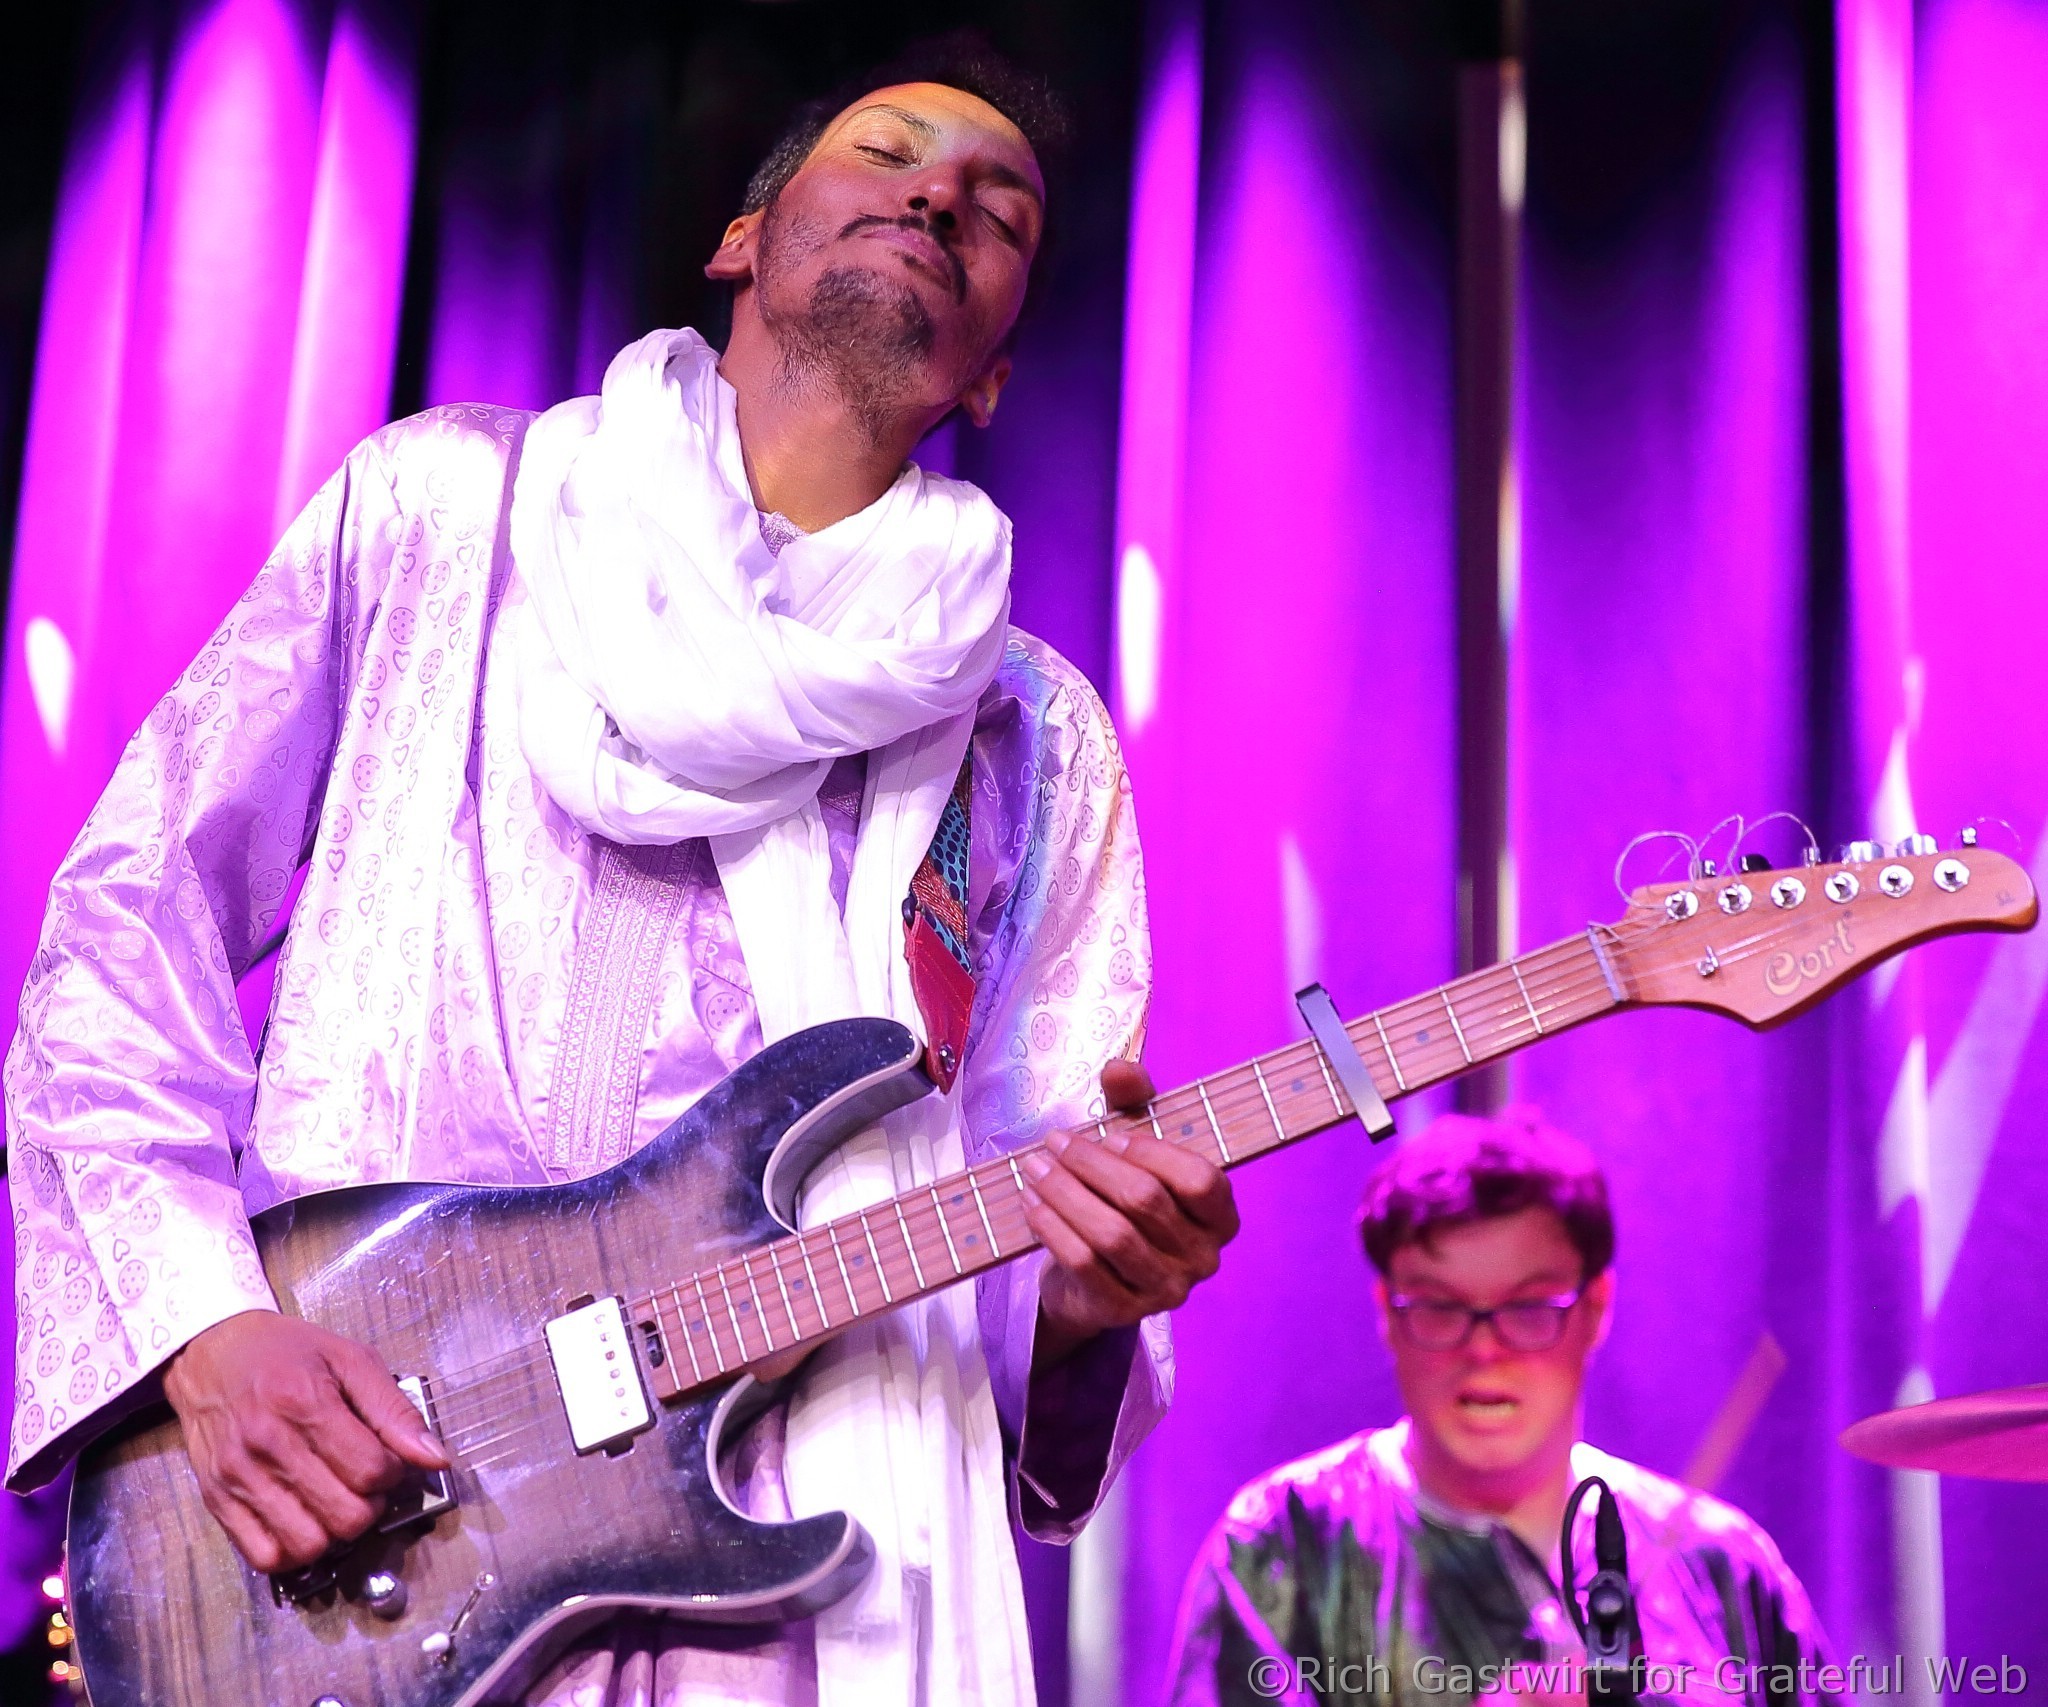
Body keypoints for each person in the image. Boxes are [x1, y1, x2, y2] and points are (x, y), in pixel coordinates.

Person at [4, 37, 1240, 1707]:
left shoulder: (1032, 735)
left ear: (996, 373)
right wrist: (201, 1327)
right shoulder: (446, 510)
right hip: (367, 1512)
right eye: (888, 150)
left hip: (816, 1593)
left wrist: (1089, 1297)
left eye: (999, 210)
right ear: (742, 240)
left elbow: (1035, 1208)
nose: (940, 194)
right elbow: (122, 926)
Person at [1166, 1109, 1838, 1707]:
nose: (1484, 1349)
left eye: (1527, 1307)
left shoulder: (1721, 1565)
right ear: (1387, 1313)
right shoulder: (1283, 1542)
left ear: (1595, 1308)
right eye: (1440, 1306)